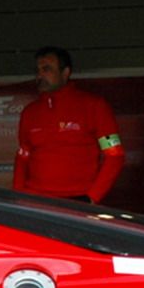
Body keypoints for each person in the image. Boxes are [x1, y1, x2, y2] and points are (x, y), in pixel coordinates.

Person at [13, 46, 124, 202]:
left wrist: (91, 197)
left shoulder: (94, 105)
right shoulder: (29, 112)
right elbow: (23, 157)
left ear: (65, 72)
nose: (40, 75)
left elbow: (114, 155)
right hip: (35, 201)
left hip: (78, 201)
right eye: (37, 70)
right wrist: (18, 196)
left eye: (47, 69)